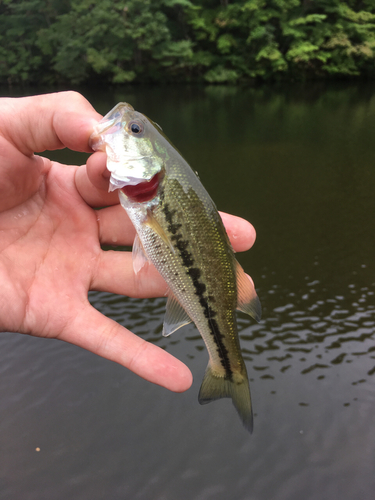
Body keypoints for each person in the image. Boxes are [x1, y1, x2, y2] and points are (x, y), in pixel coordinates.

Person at [0, 91, 257, 393]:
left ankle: (226, 369)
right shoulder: (150, 197)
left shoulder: (155, 196)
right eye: (135, 130)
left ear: (155, 172)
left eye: (135, 131)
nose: (126, 122)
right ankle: (229, 367)